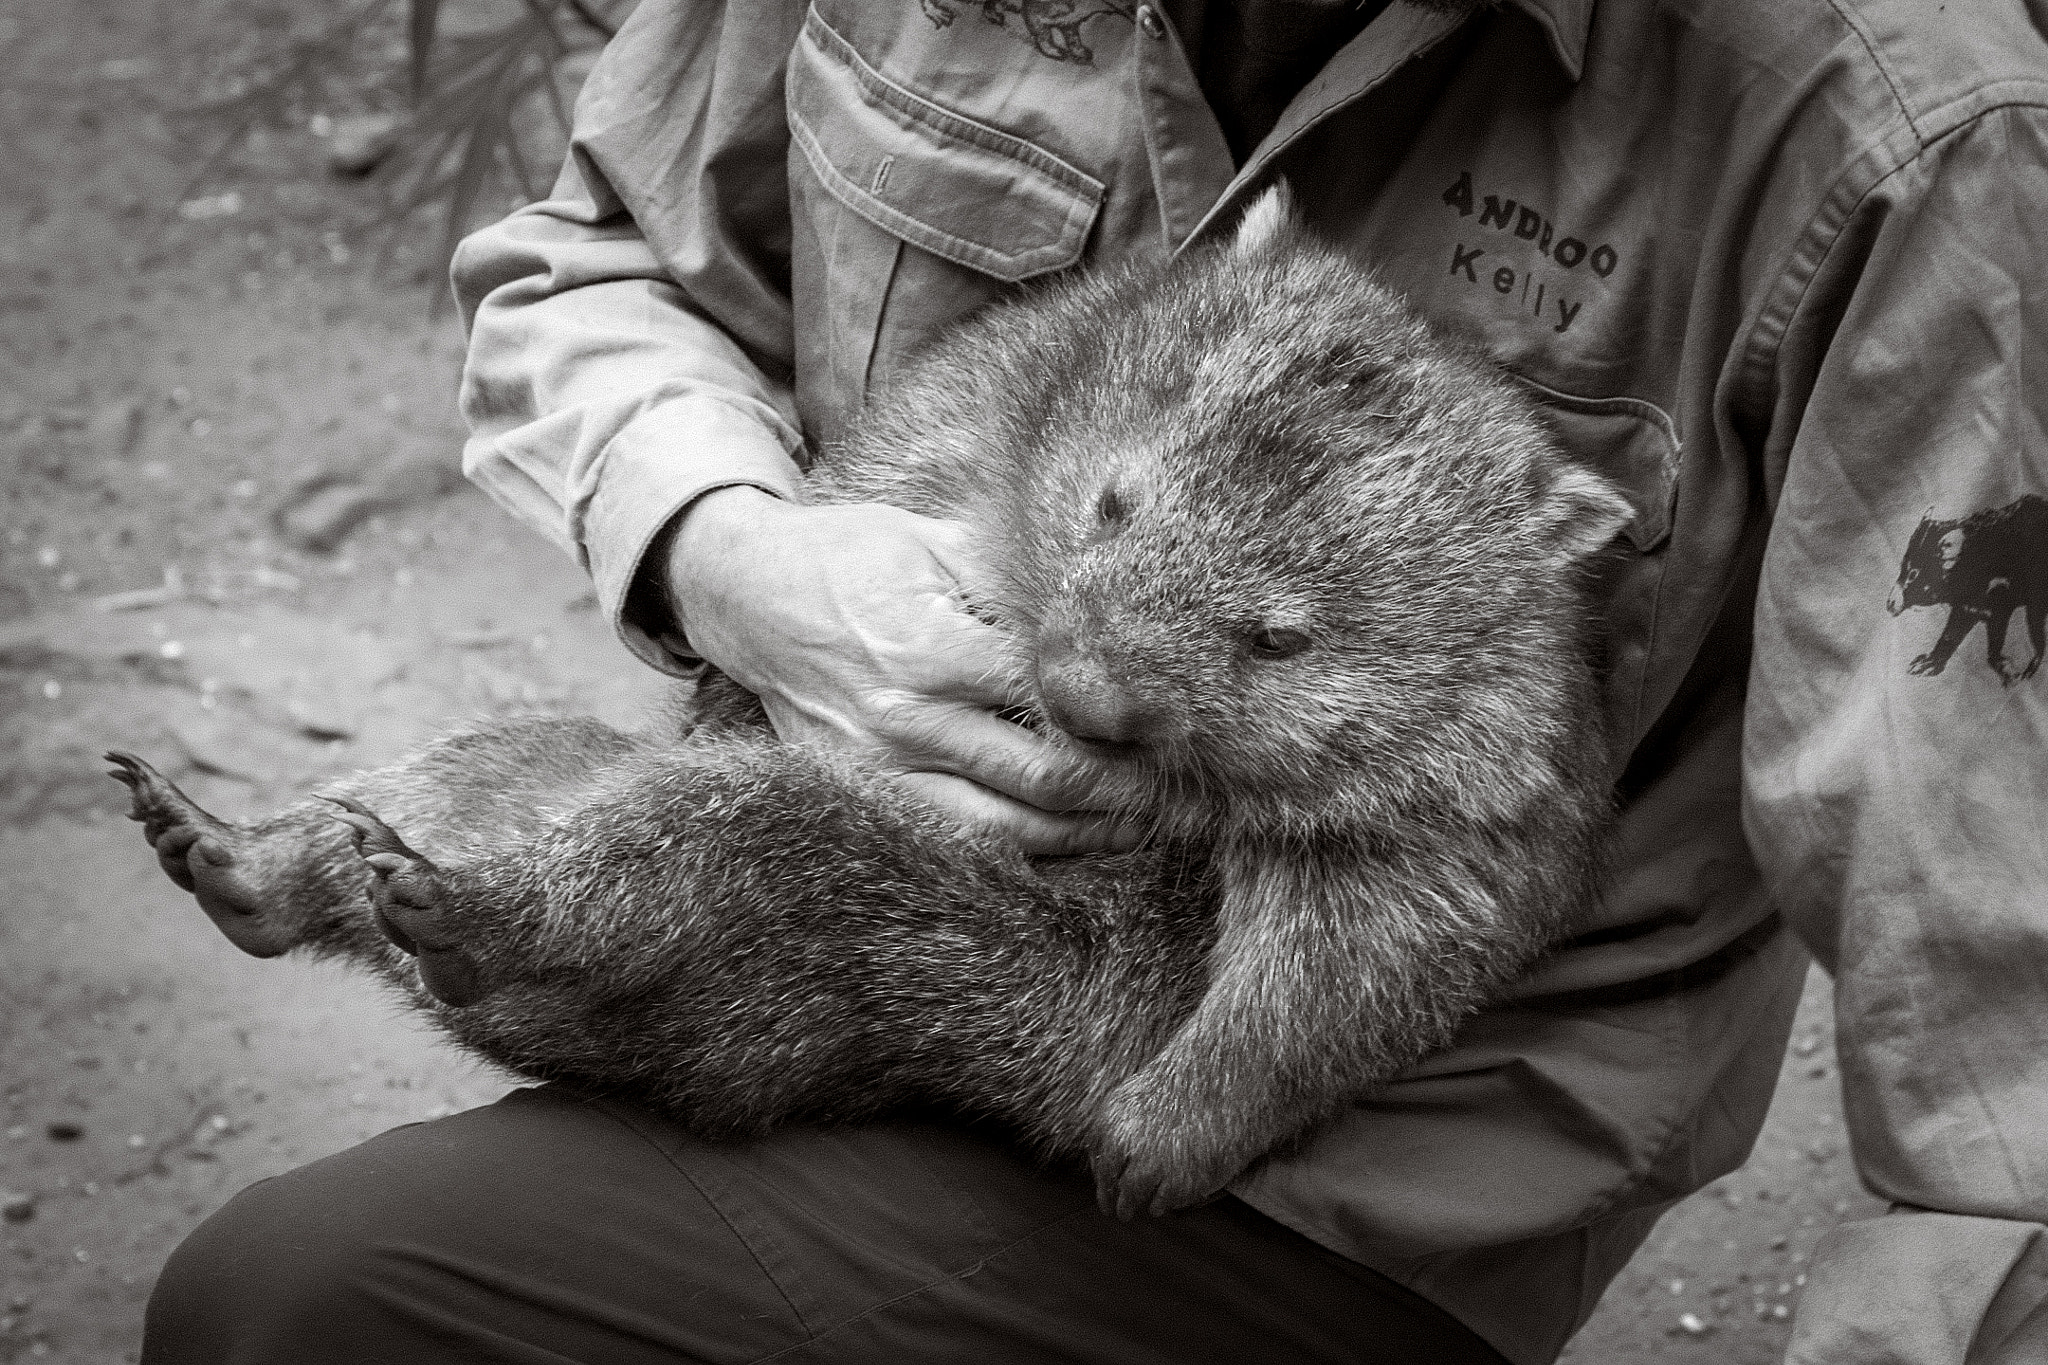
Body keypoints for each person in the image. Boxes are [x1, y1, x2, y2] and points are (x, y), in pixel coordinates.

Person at [142, 1, 2048, 1361]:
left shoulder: (1897, 122)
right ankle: (362, 876)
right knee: (579, 850)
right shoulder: (1096, 390)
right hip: (833, 872)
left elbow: (1989, 977)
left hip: (1304, 1180)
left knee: (325, 1292)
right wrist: (745, 564)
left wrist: (1198, 1086)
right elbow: (602, 261)